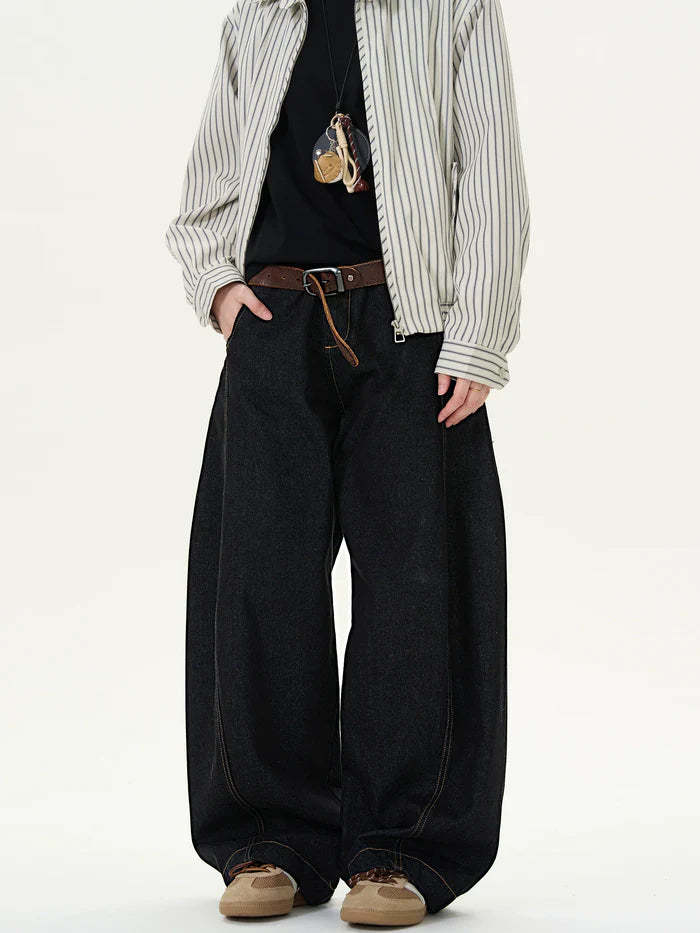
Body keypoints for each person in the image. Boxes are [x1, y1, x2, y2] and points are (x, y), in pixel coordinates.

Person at [166, 0, 529, 924]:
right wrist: (218, 287)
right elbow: (212, 170)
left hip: (411, 325)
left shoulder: (452, 7)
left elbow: (490, 165)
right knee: (258, 579)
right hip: (275, 318)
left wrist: (478, 332)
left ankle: (402, 848)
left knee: (418, 584)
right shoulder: (260, 13)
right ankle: (268, 838)